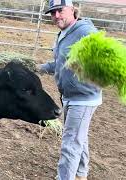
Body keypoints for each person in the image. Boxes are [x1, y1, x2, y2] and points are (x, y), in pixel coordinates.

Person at [38, 0, 102, 180]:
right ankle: (81, 173)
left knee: (70, 142)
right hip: (70, 95)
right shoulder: (62, 34)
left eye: (60, 10)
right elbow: (59, 62)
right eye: (52, 12)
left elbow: (103, 52)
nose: (56, 15)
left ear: (72, 10)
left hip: (83, 97)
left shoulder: (84, 31)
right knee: (78, 137)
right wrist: (39, 67)